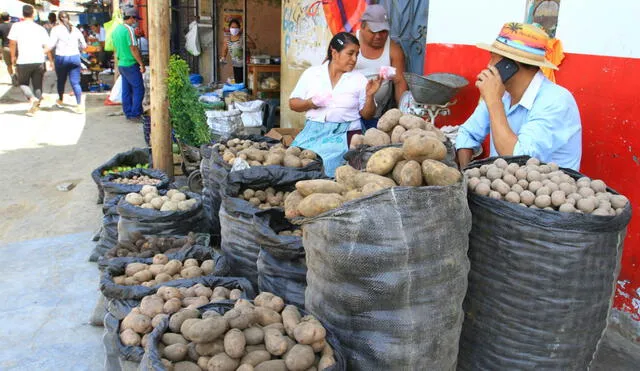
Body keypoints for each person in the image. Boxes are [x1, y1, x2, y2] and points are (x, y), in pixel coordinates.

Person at [455, 22, 582, 170]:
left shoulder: (556, 101)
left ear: (510, 65)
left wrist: (494, 102)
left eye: (493, 58)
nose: (489, 65)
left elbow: (517, 159)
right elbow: (467, 134)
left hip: (545, 190)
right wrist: (465, 174)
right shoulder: (502, 93)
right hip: (502, 186)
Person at [289, 32, 381, 176]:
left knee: (329, 170)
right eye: (350, 54)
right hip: (313, 131)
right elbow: (293, 104)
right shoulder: (312, 74)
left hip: (346, 134)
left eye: (357, 55)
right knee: (296, 162)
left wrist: (370, 96)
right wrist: (310, 103)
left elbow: (367, 115)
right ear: (334, 52)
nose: (354, 59)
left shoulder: (359, 79)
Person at [354, 4, 408, 129]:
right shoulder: (350, 42)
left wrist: (403, 115)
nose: (378, 36)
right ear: (362, 27)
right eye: (373, 31)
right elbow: (331, 71)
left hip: (375, 116)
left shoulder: (394, 49)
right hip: (349, 113)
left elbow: (400, 82)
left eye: (383, 32)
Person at [8, 5, 53, 116]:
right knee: (37, 85)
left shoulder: (16, 26)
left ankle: (33, 100)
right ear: (33, 14)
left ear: (23, 14)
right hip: (39, 61)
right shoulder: (40, 28)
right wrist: (47, 57)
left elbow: (12, 43)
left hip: (23, 61)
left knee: (22, 83)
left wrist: (13, 57)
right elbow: (48, 46)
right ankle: (35, 108)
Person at [49, 11, 86, 114]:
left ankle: (60, 100)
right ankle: (79, 105)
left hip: (61, 58)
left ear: (58, 19)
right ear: (68, 18)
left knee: (61, 81)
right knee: (75, 82)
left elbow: (51, 45)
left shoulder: (56, 30)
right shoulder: (76, 30)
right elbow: (84, 45)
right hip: (75, 58)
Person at [112, 8, 145, 121]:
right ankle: (135, 113)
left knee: (126, 90)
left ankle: (129, 113)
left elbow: (116, 47)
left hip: (121, 63)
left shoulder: (116, 30)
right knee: (139, 89)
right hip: (131, 63)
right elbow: (133, 48)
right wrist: (141, 64)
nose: (136, 21)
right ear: (131, 18)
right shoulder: (129, 29)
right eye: (135, 19)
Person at [219, 18, 256, 84]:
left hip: (246, 65)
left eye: (236, 27)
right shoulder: (227, 39)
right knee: (238, 82)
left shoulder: (243, 37)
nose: (234, 29)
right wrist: (223, 58)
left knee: (248, 82)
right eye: (232, 27)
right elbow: (225, 50)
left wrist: (245, 41)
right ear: (229, 28)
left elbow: (254, 46)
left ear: (239, 28)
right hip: (236, 65)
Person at [0, 12, 17, 86]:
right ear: (9, 17)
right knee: (17, 64)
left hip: (5, 48)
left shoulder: (0, 26)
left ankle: (12, 77)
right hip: (15, 47)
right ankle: (18, 77)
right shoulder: (14, 25)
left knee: (9, 65)